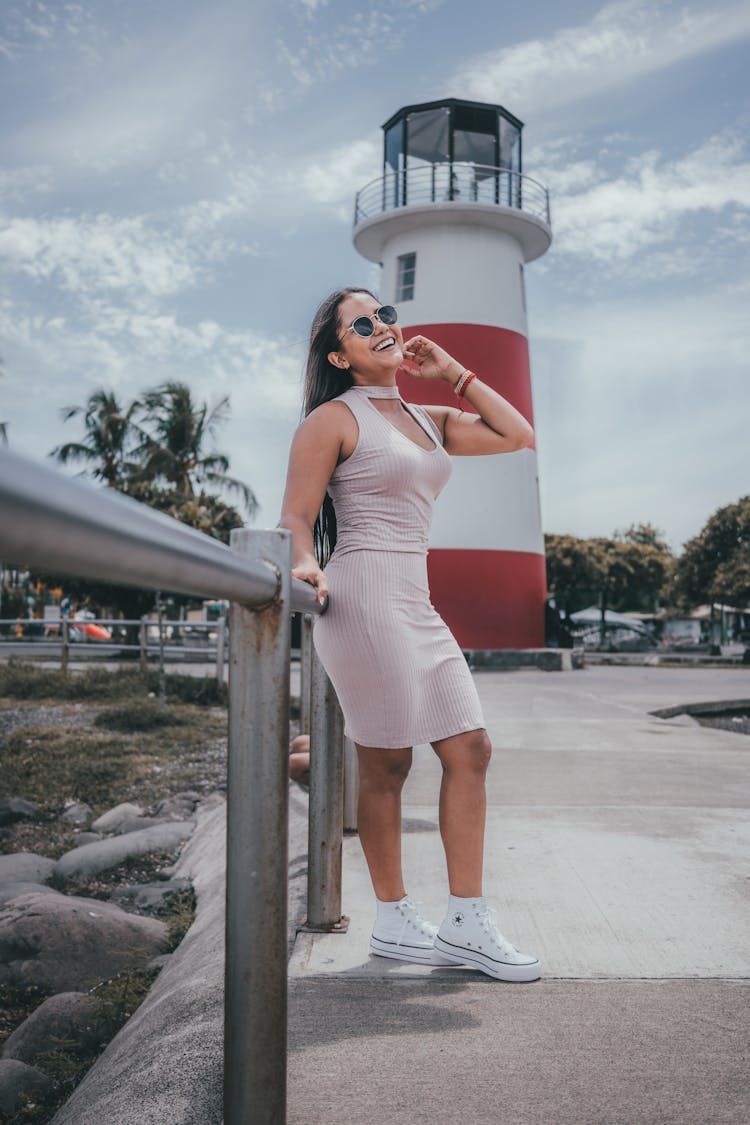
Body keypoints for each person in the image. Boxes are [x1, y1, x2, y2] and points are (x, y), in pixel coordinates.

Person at [280, 288, 541, 983]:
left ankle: (464, 920)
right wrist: (305, 564)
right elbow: (296, 519)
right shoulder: (331, 419)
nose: (381, 328)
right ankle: (394, 915)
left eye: (386, 314)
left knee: (472, 748)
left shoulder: (429, 419)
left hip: (415, 598)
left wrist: (452, 369)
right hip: (362, 595)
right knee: (388, 765)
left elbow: (517, 433)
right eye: (362, 325)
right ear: (340, 353)